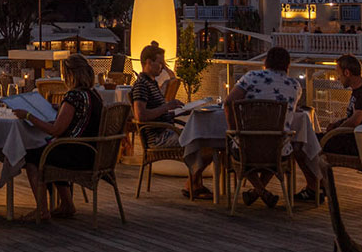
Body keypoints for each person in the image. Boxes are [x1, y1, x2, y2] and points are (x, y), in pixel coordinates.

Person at [224, 46, 316, 207]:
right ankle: (260, 191)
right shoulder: (294, 85)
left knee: (236, 150)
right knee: (274, 151)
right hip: (278, 150)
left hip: (246, 147)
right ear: (287, 65)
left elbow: (229, 102)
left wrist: (234, 130)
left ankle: (258, 191)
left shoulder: (251, 77)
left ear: (266, 62)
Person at [15, 54, 103, 221]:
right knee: (51, 151)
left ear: (69, 74)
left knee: (34, 156)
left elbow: (55, 130)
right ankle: (67, 204)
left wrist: (28, 115)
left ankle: (42, 209)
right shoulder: (94, 95)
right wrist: (60, 107)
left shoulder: (74, 97)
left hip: (78, 156)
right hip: (93, 154)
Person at [132, 43, 207, 198]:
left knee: (204, 139)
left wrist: (179, 111)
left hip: (166, 130)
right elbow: (140, 116)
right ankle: (192, 184)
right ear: (148, 62)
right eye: (160, 63)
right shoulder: (141, 85)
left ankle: (194, 184)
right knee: (202, 142)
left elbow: (160, 112)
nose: (162, 67)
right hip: (158, 137)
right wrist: (167, 107)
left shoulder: (152, 83)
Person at [320, 54, 362, 158]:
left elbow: (355, 121)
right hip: (351, 138)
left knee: (308, 143)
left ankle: (318, 173)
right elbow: (352, 117)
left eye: (338, 74)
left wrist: (335, 132)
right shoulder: (360, 91)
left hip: (355, 143)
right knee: (310, 140)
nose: (338, 78)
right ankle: (321, 172)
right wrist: (337, 124)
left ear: (347, 73)